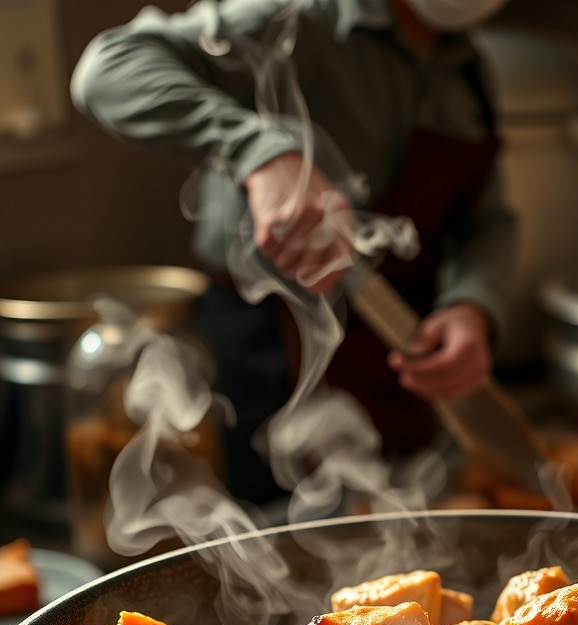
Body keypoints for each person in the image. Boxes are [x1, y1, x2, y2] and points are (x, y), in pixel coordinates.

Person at [70, 0, 517, 506]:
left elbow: (487, 221)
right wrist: (257, 150)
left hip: (400, 358)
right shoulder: (299, 16)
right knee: (273, 544)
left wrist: (473, 304)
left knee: (399, 527)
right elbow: (108, 67)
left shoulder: (469, 73)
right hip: (270, 354)